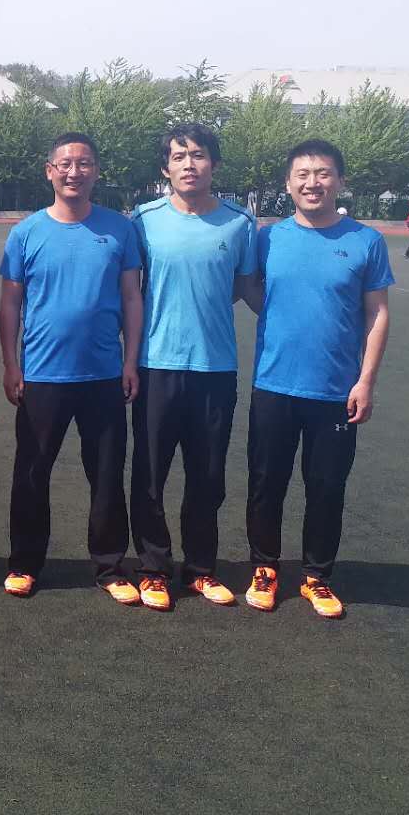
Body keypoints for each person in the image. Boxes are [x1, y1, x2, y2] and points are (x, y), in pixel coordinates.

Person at [239, 139, 392, 619]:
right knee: (266, 482)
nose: (312, 183)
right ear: (288, 184)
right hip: (274, 384)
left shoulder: (366, 241)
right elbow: (249, 286)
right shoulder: (268, 239)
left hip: (335, 391)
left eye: (323, 173)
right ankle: (265, 567)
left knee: (327, 486)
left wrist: (366, 381)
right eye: (302, 174)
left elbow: (377, 313)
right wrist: (278, 315)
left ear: (339, 181)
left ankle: (316, 576)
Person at [0, 132, 144, 603]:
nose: (74, 172)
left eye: (84, 164)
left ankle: (110, 566)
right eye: (65, 164)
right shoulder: (26, 233)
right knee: (31, 473)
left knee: (106, 474)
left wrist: (130, 361)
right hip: (42, 374)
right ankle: (24, 564)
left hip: (103, 374)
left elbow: (131, 297)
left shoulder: (120, 230)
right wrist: (11, 364)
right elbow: (10, 304)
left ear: (96, 171)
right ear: (50, 171)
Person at [129, 124, 256, 611]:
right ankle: (153, 569)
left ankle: (201, 569)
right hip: (155, 365)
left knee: (207, 475)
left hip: (214, 368)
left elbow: (244, 287)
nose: (189, 164)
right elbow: (131, 290)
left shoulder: (240, 224)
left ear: (214, 164)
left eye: (198, 155)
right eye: (179, 157)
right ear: (166, 168)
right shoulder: (143, 220)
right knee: (150, 475)